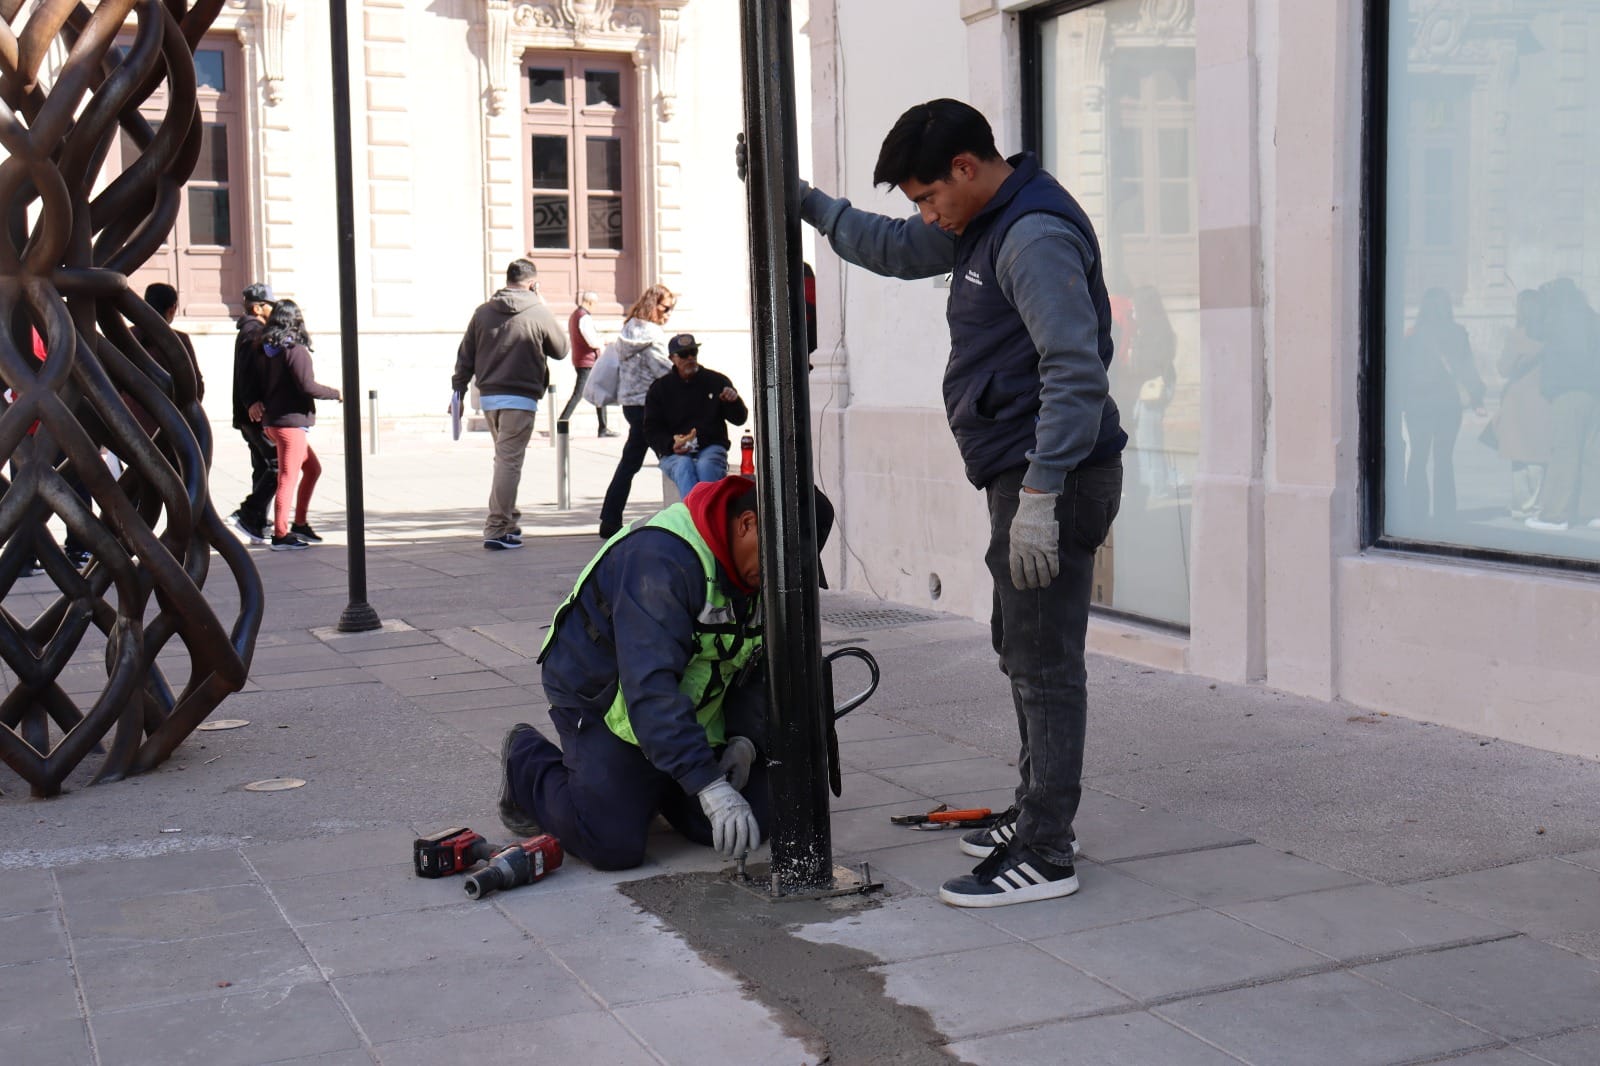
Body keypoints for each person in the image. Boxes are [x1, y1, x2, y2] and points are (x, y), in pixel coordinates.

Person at [797, 98, 1125, 907]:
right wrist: (804, 205)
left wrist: (1043, 495)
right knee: (1021, 648)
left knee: (1045, 663)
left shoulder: (1033, 236)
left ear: (967, 169)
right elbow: (892, 247)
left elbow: (1074, 372)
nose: (925, 214)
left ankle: (1047, 852)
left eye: (928, 195)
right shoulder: (980, 223)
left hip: (1053, 476)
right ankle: (1037, 811)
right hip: (1022, 473)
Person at [497, 476, 769, 870]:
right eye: (779, 561)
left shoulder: (763, 572)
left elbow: (759, 665)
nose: (780, 576)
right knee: (612, 844)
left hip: (685, 704)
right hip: (602, 697)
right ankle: (525, 761)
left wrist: (746, 738)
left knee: (754, 819)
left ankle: (659, 779)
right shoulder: (660, 560)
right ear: (746, 525)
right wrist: (708, 785)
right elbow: (649, 687)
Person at [451, 259, 570, 551]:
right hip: (521, 397)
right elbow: (562, 350)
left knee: (504, 459)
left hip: (490, 398)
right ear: (532, 283)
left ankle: (509, 522)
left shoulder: (483, 312)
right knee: (509, 462)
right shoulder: (538, 311)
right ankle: (495, 528)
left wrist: (458, 392)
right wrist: (542, 304)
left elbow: (465, 355)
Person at [258, 299, 341, 551]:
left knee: (312, 469)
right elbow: (307, 385)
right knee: (288, 476)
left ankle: (300, 524)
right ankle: (281, 534)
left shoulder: (269, 349)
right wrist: (336, 392)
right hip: (289, 423)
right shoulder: (295, 350)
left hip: (276, 421)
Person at [1398, 288, 1485, 525]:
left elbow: (1402, 371)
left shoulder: (1412, 336)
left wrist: (1400, 401)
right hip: (1448, 406)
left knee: (1418, 457)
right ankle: (1445, 513)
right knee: (1444, 459)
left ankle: (1417, 511)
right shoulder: (1458, 333)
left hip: (1419, 405)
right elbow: (1468, 370)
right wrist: (1477, 397)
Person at [597, 283, 676, 537]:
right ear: (654, 306)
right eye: (666, 307)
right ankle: (687, 512)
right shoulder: (652, 334)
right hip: (649, 406)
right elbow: (663, 370)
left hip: (630, 404)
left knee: (630, 462)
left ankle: (609, 520)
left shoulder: (629, 329)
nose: (668, 313)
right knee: (672, 457)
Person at [1527, 279, 1600, 532]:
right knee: (1591, 453)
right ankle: (1592, 511)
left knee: (1564, 451)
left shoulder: (1557, 317)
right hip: (1593, 393)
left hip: (1568, 393)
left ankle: (1554, 515)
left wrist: (1540, 301)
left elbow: (1533, 332)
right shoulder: (1591, 316)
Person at [643, 333, 748, 499]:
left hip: (710, 446)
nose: (690, 358)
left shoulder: (716, 381)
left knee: (706, 466)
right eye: (684, 354)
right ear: (672, 358)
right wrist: (671, 445)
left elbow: (739, 419)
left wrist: (733, 402)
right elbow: (651, 429)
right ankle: (697, 518)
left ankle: (703, 516)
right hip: (674, 452)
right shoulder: (660, 389)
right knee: (683, 465)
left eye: (693, 352)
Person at [1491, 289, 1550, 519]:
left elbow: (1504, 368)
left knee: (1519, 452)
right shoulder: (1549, 336)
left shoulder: (1516, 335)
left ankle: (1521, 505)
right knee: (1538, 452)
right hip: (1544, 398)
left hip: (1518, 400)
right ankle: (1534, 502)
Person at [229, 283, 277, 544]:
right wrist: (252, 402)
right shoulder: (253, 332)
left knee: (262, 466)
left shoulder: (251, 330)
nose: (273, 310)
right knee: (277, 466)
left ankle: (256, 522)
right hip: (254, 413)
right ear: (257, 307)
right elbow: (247, 371)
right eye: (269, 305)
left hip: (248, 412)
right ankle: (248, 513)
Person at [559, 291, 616, 437]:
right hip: (587, 361)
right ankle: (562, 423)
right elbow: (592, 341)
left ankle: (603, 427)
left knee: (599, 392)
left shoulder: (575, 315)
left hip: (583, 360)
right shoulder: (584, 317)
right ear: (590, 302)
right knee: (579, 393)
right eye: (595, 304)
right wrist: (604, 340)